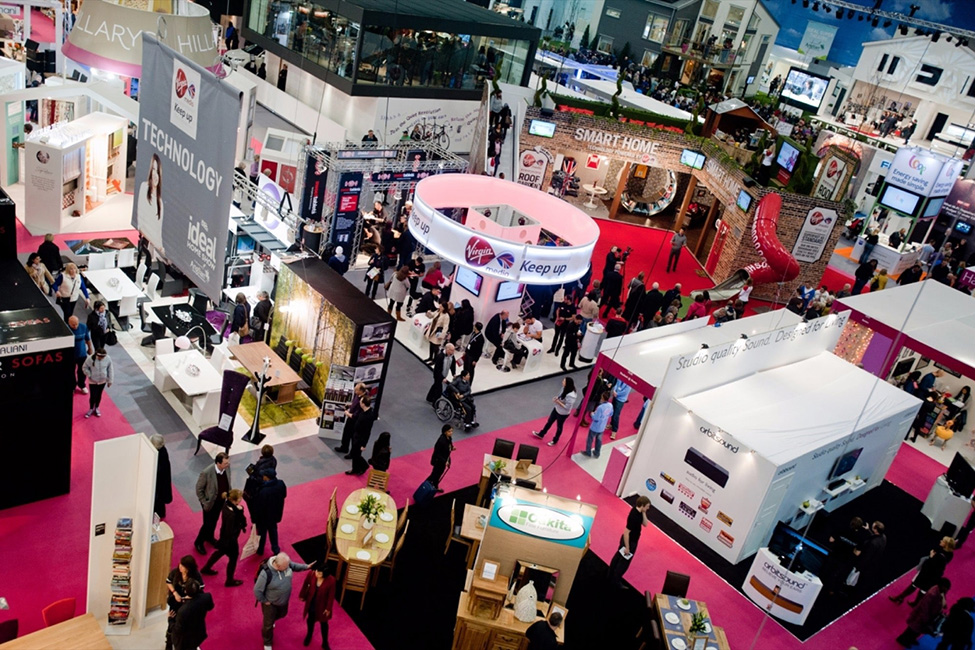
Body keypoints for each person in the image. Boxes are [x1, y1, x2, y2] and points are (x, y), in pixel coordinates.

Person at [254, 552, 314, 650]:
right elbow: (257, 590)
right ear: (277, 566)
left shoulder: (285, 563)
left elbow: (293, 565)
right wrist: (264, 601)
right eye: (286, 566)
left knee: (283, 614)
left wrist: (306, 567)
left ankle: (272, 619)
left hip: (283, 601)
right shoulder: (265, 574)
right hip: (270, 604)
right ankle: (267, 642)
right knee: (268, 625)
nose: (288, 567)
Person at [201, 488, 247, 586]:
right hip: (230, 540)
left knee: (219, 552)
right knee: (233, 559)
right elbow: (230, 530)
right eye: (239, 499)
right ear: (234, 500)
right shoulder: (233, 514)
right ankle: (229, 580)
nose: (241, 500)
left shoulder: (226, 505)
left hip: (224, 537)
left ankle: (206, 568)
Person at [890, 537, 951, 605]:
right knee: (922, 590)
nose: (941, 541)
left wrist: (931, 557)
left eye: (943, 541)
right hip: (932, 576)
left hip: (926, 574)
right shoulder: (947, 555)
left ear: (945, 544)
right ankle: (914, 603)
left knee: (914, 586)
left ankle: (901, 598)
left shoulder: (940, 556)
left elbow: (931, 564)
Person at [607, 495, 651, 588]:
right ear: (642, 505)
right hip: (629, 542)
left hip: (631, 541)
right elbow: (626, 532)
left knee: (618, 557)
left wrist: (644, 512)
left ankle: (610, 575)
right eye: (647, 506)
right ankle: (616, 581)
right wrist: (627, 547)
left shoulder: (637, 511)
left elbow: (645, 524)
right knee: (623, 563)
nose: (648, 508)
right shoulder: (633, 517)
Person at [194, 452, 231, 556]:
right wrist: (204, 502)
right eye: (225, 463)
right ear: (218, 463)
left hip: (220, 501)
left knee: (214, 521)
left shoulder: (227, 468)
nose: (228, 465)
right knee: (207, 524)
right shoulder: (206, 472)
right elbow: (199, 489)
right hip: (209, 503)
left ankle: (209, 537)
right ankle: (198, 542)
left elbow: (228, 482)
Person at [896, 577, 949, 647]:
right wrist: (925, 617)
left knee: (918, 629)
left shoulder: (941, 592)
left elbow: (944, 605)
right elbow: (925, 607)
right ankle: (902, 640)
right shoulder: (932, 594)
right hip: (922, 615)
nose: (947, 590)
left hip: (929, 615)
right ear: (942, 586)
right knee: (912, 629)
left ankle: (911, 639)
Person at [165, 556, 204, 650]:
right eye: (180, 564)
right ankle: (169, 643)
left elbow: (201, 588)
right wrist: (175, 593)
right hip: (175, 602)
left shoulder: (196, 575)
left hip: (188, 605)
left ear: (189, 568)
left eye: (183, 566)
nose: (180, 567)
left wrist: (190, 597)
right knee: (172, 623)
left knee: (184, 626)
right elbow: (168, 581)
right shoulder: (176, 572)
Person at [299, 565, 336, 648]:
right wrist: (302, 595)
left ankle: (325, 642)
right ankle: (309, 635)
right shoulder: (312, 574)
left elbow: (331, 595)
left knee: (324, 624)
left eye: (319, 573)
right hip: (311, 602)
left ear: (324, 575)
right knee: (310, 620)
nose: (316, 573)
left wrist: (328, 608)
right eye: (316, 571)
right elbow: (306, 584)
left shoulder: (331, 581)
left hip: (323, 606)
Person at [533, 377, 577, 446]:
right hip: (556, 409)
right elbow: (560, 395)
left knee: (559, 427)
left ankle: (555, 440)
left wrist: (558, 402)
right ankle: (541, 434)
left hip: (563, 413)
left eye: (564, 381)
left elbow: (567, 407)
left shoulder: (571, 396)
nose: (562, 382)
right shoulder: (563, 388)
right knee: (549, 422)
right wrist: (557, 398)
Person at [171, 578, 213, 650]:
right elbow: (210, 607)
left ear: (185, 591)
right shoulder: (206, 597)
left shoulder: (183, 611)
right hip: (199, 633)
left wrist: (170, 619)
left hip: (185, 640)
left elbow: (177, 630)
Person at [254, 468, 287, 555]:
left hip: (264, 516)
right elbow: (284, 495)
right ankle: (276, 549)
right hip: (275, 514)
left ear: (266, 477)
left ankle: (260, 549)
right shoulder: (281, 484)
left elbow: (259, 506)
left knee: (262, 533)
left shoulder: (263, 490)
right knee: (273, 531)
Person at [137, 153, 165, 254]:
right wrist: (158, 246)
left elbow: (159, 233)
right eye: (153, 169)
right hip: (148, 247)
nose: (155, 174)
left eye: (157, 171)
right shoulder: (144, 188)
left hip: (157, 250)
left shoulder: (160, 202)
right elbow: (141, 226)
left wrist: (161, 250)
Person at [347, 395, 377, 475]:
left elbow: (367, 432)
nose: (359, 402)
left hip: (360, 438)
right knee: (354, 453)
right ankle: (355, 468)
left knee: (356, 454)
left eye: (361, 401)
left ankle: (364, 466)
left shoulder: (369, 416)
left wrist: (364, 444)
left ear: (363, 404)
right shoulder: (363, 411)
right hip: (356, 435)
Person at [854, 520, 887, 590]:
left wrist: (858, 568)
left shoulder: (873, 544)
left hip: (866, 566)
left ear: (875, 529)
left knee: (857, 582)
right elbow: (874, 536)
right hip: (874, 564)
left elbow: (866, 557)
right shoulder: (883, 537)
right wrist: (868, 530)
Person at [82, 347, 113, 418]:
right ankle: (91, 408)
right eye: (100, 357)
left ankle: (97, 407)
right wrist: (89, 374)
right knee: (93, 396)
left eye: (103, 357)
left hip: (102, 381)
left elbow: (110, 370)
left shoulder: (108, 359)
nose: (101, 359)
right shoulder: (90, 359)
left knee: (99, 395)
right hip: (93, 381)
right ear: (97, 355)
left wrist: (110, 381)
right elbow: (84, 367)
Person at [583, 391, 613, 459]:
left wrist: (592, 414)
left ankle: (588, 452)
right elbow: (611, 414)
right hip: (602, 427)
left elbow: (596, 418)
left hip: (595, 427)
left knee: (590, 439)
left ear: (602, 398)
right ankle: (597, 453)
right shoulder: (610, 405)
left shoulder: (600, 407)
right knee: (599, 440)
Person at [68, 316, 93, 394]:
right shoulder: (66, 329)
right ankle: (72, 386)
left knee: (82, 371)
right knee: (71, 372)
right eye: (73, 325)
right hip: (71, 355)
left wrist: (90, 348)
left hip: (82, 354)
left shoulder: (83, 327)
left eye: (76, 324)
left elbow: (88, 339)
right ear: (69, 323)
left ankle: (82, 385)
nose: (75, 326)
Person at [150, 434, 173, 519]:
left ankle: (158, 513)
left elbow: (159, 470)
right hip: (161, 479)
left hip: (160, 481)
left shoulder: (160, 455)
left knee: (158, 498)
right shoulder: (163, 451)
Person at [428, 424, 454, 492]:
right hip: (438, 460)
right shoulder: (441, 441)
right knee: (436, 474)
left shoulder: (449, 438)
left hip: (445, 458)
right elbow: (437, 453)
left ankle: (431, 484)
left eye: (451, 431)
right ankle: (432, 485)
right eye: (449, 431)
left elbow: (449, 445)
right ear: (445, 432)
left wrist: (452, 447)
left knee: (437, 473)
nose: (451, 433)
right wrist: (445, 461)